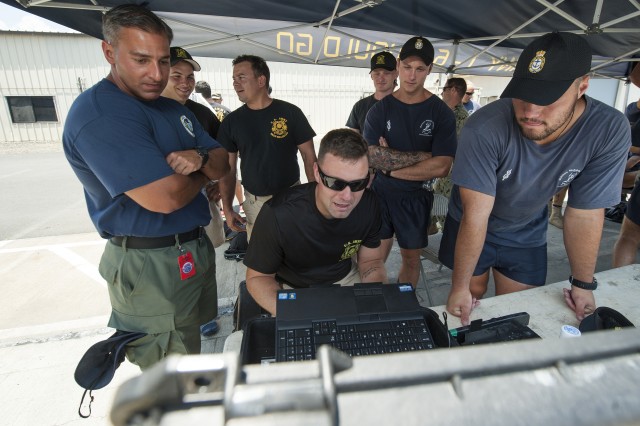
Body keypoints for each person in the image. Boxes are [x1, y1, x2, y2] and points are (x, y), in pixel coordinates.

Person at [62, 4, 229, 369]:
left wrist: (199, 159)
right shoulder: (102, 113)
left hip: (189, 248)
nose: (157, 74)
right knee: (167, 375)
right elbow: (165, 198)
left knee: (189, 349)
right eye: (141, 60)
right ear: (110, 52)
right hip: (149, 262)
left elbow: (222, 160)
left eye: (163, 61)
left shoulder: (173, 110)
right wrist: (204, 170)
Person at [438, 31, 631, 326]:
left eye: (547, 99)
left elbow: (585, 211)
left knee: (517, 307)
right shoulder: (484, 127)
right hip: (472, 221)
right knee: (469, 299)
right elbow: (476, 216)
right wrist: (459, 287)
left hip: (526, 228)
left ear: (582, 86)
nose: (530, 111)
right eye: (524, 95)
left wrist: (583, 283)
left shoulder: (608, 129)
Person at [244, 129, 387, 314]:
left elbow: (371, 261)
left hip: (346, 280)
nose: (347, 196)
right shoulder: (278, 213)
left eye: (358, 184)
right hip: (293, 288)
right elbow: (258, 278)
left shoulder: (369, 204)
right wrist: (296, 315)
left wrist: (375, 300)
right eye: (335, 183)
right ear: (317, 173)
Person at [363, 36, 457, 288]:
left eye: (420, 69)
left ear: (430, 70)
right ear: (398, 65)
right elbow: (372, 156)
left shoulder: (440, 113)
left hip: (416, 197)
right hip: (380, 194)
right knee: (373, 260)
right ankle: (373, 308)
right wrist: (424, 156)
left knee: (411, 260)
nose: (412, 75)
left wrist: (391, 168)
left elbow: (442, 166)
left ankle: (405, 308)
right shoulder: (380, 110)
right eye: (407, 67)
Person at [217, 54, 317, 240]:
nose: (235, 83)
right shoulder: (231, 122)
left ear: (261, 80)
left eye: (241, 77)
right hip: (256, 204)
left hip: (292, 197)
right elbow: (228, 170)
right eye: (234, 79)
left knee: (295, 252)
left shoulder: (290, 113)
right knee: (262, 262)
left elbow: (309, 157)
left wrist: (316, 198)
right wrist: (228, 208)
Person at [430, 77, 469, 232]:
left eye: (445, 89)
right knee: (434, 210)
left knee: (447, 216)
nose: (442, 92)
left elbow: (446, 144)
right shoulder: (446, 113)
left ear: (453, 90)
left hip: (451, 176)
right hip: (442, 174)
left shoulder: (460, 117)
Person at [163, 48, 221, 138]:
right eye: (177, 76)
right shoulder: (145, 112)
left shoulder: (204, 114)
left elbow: (223, 150)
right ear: (160, 76)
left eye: (190, 77)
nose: (185, 83)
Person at [346, 51, 397, 133]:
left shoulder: (405, 105)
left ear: (396, 74)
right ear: (371, 76)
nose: (381, 78)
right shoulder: (359, 106)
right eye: (377, 74)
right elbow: (352, 141)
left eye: (386, 73)